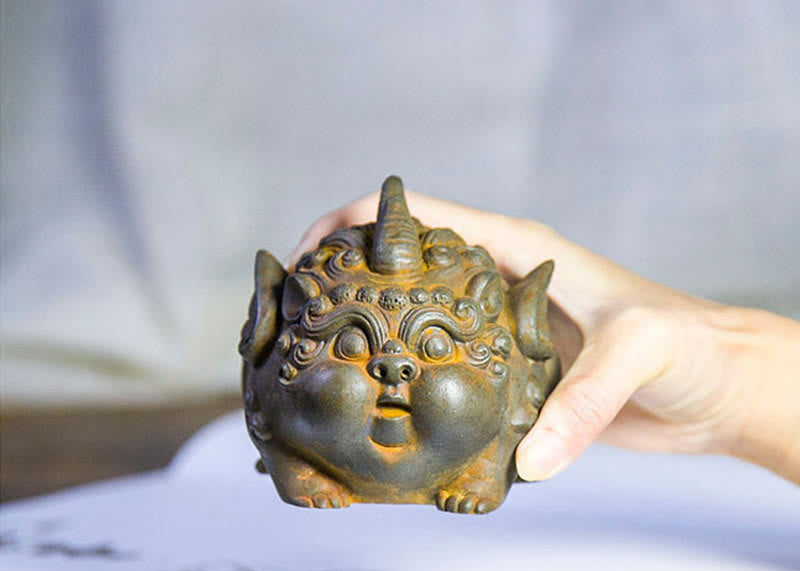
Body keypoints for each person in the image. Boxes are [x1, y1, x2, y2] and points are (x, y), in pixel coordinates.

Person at [288, 188, 800, 486]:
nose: (394, 369)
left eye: (436, 348)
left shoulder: (510, 384)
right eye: (352, 345)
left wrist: (744, 388)